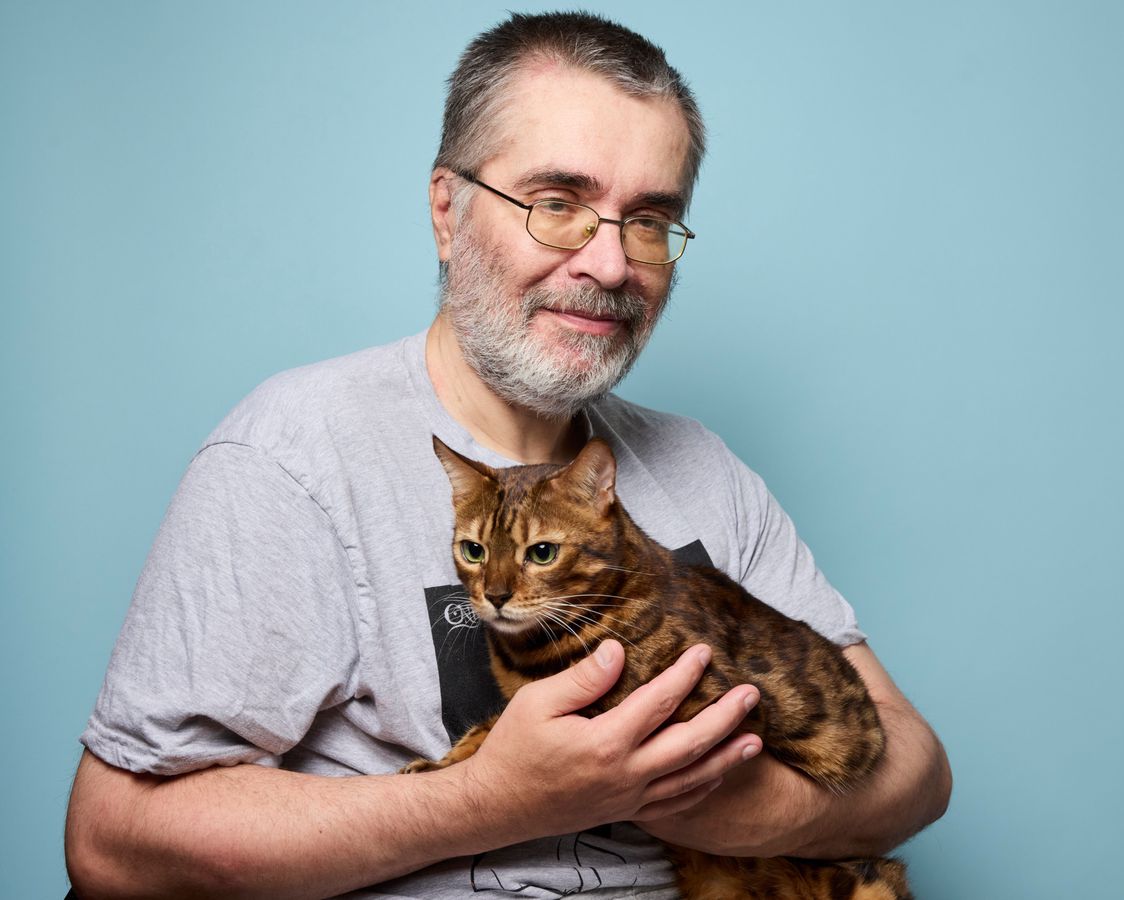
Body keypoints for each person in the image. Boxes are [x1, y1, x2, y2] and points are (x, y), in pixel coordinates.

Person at [64, 12, 950, 899]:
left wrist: (734, 807)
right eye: (557, 203)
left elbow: (916, 771)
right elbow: (112, 846)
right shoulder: (292, 454)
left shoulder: (702, 468)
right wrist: (489, 799)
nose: (608, 263)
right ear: (447, 211)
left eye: (647, 220)